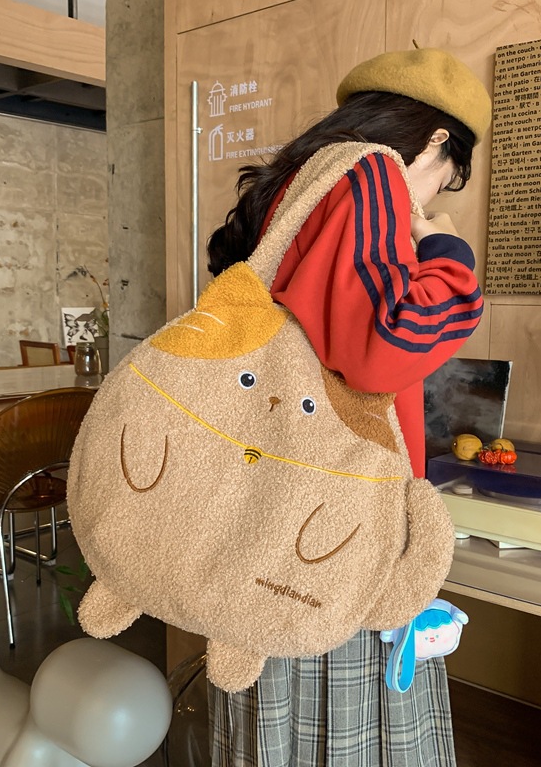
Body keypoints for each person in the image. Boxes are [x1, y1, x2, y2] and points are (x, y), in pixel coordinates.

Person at [206, 47, 491, 767]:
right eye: (445, 177)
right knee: (349, 708)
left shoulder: (294, 188)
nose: (431, 198)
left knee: (274, 708)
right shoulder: (368, 178)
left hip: (264, 489)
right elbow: (382, 348)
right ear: (435, 138)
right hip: (334, 509)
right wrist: (448, 250)